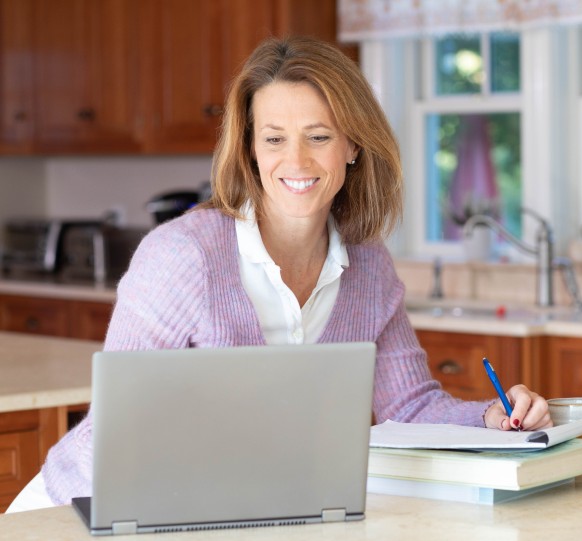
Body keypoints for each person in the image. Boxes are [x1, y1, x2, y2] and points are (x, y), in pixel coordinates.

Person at [7, 36, 551, 512]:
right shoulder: (182, 258)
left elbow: (408, 408)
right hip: (79, 509)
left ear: (353, 145)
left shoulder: (368, 267)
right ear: (248, 148)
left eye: (318, 136)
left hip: (235, 509)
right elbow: (119, 427)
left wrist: (492, 419)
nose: (296, 160)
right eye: (273, 138)